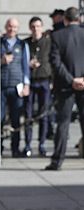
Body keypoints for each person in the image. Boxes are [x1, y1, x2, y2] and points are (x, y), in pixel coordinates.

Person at [46, 7, 84, 170]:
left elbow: (55, 62)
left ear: (65, 19)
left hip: (65, 86)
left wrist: (71, 80)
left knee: (63, 123)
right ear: (79, 19)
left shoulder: (56, 36)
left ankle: (57, 160)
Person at [0, 18, 31, 157]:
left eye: (15, 27)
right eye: (10, 26)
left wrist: (26, 84)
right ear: (6, 27)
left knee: (16, 118)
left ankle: (15, 147)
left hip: (16, 85)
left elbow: (25, 65)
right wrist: (1, 61)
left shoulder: (22, 45)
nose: (12, 29)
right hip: (1, 85)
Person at [24, 16, 52, 157]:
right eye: (33, 27)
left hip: (44, 80)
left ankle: (41, 143)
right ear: (30, 28)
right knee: (28, 114)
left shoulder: (48, 43)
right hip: (30, 81)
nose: (36, 29)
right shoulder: (26, 43)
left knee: (43, 114)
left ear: (41, 27)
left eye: (38, 26)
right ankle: (28, 144)